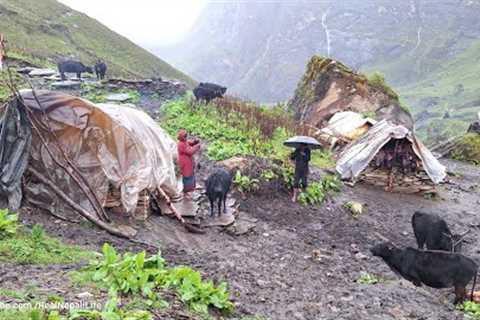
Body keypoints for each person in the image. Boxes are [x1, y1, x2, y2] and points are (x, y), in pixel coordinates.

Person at [177, 129, 201, 200]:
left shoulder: (184, 142)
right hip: (185, 163)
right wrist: (196, 147)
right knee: (187, 177)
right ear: (181, 137)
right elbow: (189, 151)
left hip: (189, 162)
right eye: (185, 136)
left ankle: (191, 189)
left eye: (186, 136)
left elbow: (189, 143)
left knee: (190, 175)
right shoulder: (180, 144)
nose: (186, 137)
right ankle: (186, 192)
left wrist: (194, 142)